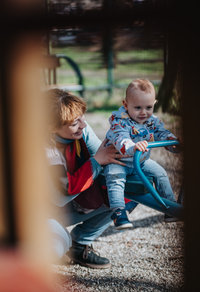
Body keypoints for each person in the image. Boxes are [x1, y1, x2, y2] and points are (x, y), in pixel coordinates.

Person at [46, 89, 126, 269]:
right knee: (54, 248)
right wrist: (96, 162)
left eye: (83, 118)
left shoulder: (81, 131)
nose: (83, 125)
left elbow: (106, 157)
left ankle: (79, 244)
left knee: (124, 190)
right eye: (75, 122)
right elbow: (60, 196)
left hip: (61, 206)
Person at [104, 78, 180, 229]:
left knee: (160, 173)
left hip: (141, 161)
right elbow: (121, 139)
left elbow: (162, 133)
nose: (143, 112)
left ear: (154, 104)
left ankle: (170, 208)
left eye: (148, 107)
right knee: (115, 178)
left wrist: (174, 142)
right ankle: (119, 212)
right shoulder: (119, 122)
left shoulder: (151, 121)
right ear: (125, 104)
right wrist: (133, 146)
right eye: (138, 107)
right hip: (119, 161)